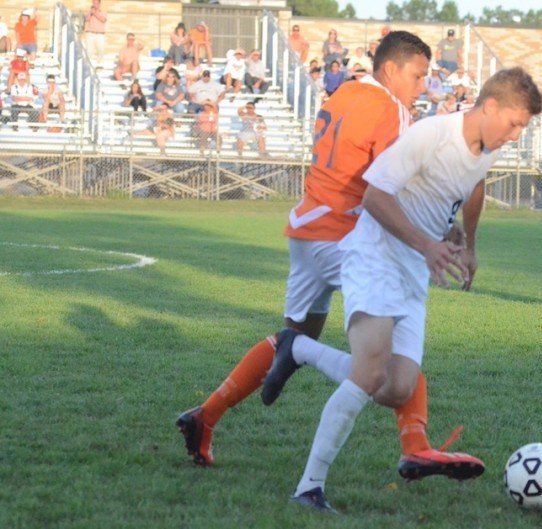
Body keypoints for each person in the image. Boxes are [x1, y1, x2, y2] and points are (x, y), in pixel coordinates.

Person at [176, 33, 481, 489]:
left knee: (295, 337)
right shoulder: (391, 110)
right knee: (399, 323)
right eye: (417, 76)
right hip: (345, 235)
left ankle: (205, 415)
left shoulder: (345, 91)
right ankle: (415, 445)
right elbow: (393, 183)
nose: (422, 86)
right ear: (392, 70)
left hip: (306, 230)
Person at [286, 67, 542, 513]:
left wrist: (465, 241)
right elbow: (374, 196)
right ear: (490, 106)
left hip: (413, 266)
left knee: (396, 389)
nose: (517, 134)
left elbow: (473, 186)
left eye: (524, 126)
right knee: (368, 373)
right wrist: (428, 244)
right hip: (376, 254)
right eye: (514, 122)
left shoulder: (485, 148)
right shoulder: (431, 134)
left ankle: (299, 350)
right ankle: (309, 488)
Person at [83, 0, 108, 64]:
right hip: (90, 33)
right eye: (94, 3)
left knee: (101, 50)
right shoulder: (89, 12)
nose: (95, 5)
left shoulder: (103, 12)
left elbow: (103, 20)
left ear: (99, 4)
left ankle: (99, 64)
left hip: (100, 34)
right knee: (89, 51)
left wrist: (95, 13)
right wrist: (91, 13)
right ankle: (89, 65)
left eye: (96, 3)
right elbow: (87, 19)